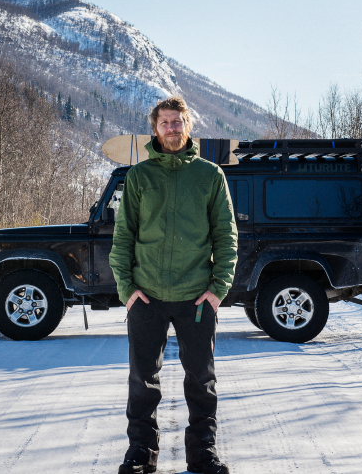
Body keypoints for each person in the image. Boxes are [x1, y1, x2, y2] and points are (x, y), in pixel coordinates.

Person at [110, 96, 238, 474]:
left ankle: (203, 453)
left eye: (177, 121)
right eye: (165, 122)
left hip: (196, 298)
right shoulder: (139, 176)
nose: (171, 128)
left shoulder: (210, 176)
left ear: (188, 126)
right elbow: (123, 238)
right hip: (146, 296)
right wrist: (127, 290)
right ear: (154, 129)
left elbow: (226, 237)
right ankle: (141, 453)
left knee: (201, 380)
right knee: (142, 381)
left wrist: (217, 290)